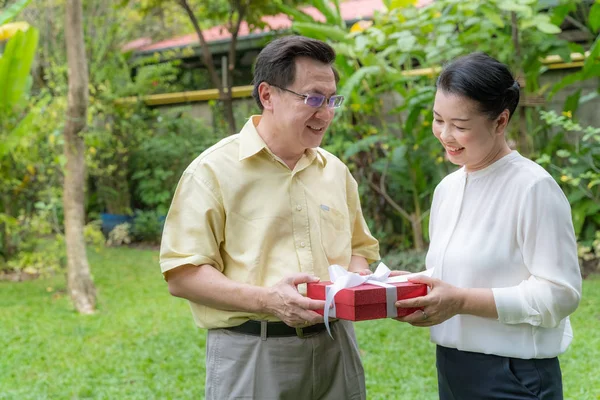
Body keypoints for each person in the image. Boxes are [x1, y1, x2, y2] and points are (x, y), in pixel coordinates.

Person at [159, 35, 380, 400]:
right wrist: (268, 300)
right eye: (312, 99)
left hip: (337, 346)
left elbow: (359, 249)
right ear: (267, 95)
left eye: (331, 100)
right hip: (252, 353)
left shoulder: (336, 172)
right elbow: (182, 276)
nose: (325, 113)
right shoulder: (212, 171)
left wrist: (359, 278)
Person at [394, 52, 582, 399]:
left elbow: (561, 294)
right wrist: (406, 290)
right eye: (438, 120)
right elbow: (457, 279)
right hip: (451, 367)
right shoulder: (447, 189)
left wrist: (462, 301)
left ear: (500, 121)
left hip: (514, 375)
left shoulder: (533, 188)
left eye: (461, 126)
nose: (445, 135)